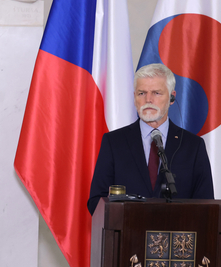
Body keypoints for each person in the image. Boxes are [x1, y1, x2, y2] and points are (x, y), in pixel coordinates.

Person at [87, 63, 214, 214]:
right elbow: (96, 201)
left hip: (176, 235)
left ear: (172, 97)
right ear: (134, 98)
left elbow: (206, 205)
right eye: (141, 93)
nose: (148, 99)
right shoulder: (114, 142)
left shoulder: (192, 146)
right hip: (128, 235)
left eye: (156, 93)